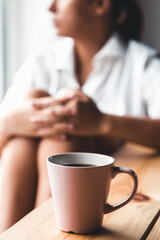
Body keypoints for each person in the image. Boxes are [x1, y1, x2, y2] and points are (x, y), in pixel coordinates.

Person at [0, 0, 160, 233]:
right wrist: (12, 123)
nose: (50, 7)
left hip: (113, 198)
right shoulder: (41, 60)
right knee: (24, 131)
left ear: (100, 4)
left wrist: (102, 123)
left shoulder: (141, 63)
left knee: (63, 141)